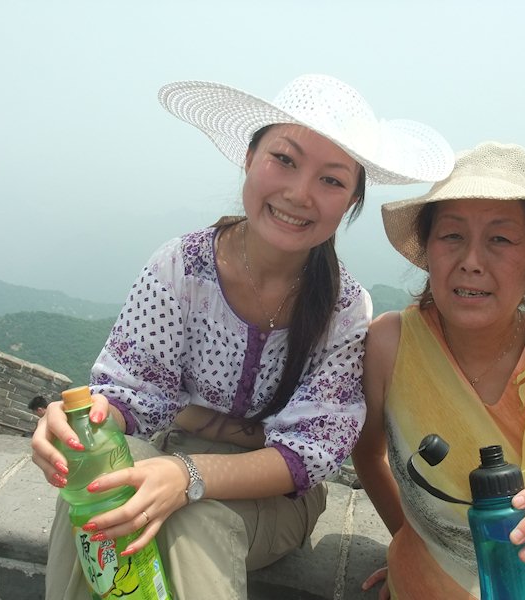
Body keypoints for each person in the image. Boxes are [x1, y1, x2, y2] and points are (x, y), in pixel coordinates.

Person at [30, 73, 454, 599]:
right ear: (249, 157)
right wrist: (82, 427)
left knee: (194, 517)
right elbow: (131, 396)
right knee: (97, 485)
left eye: (331, 180)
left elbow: (305, 454)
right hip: (172, 452)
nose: (299, 193)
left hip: (276, 498)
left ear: (350, 201)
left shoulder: (343, 310)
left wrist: (187, 476)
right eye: (285, 159)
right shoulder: (180, 269)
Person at [351, 142, 525, 599]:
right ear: (427, 249)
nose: (471, 261)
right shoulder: (390, 345)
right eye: (451, 236)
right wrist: (422, 546)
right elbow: (368, 455)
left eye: (500, 239)